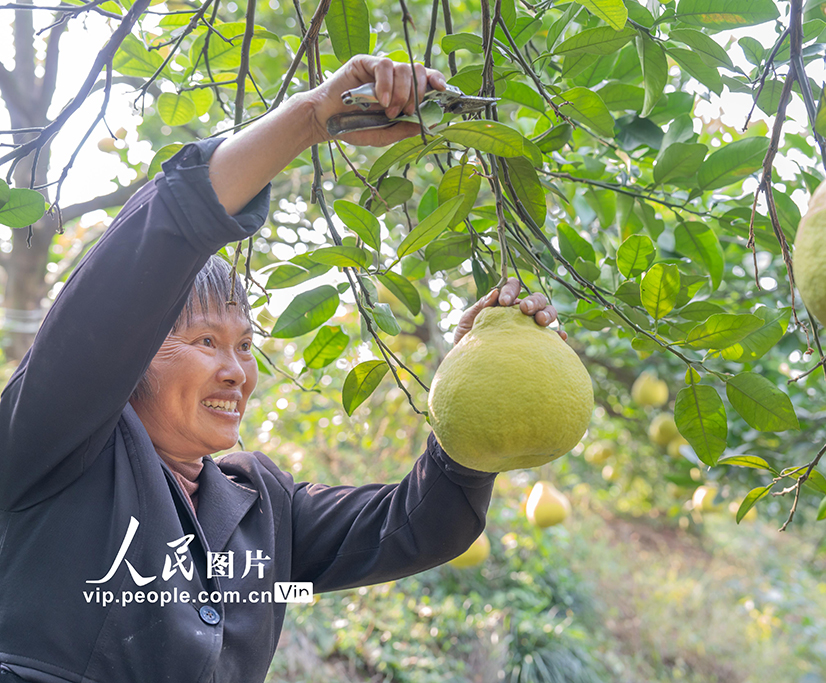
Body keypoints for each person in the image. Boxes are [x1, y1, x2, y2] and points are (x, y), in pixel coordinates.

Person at [0, 55, 565, 683]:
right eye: (205, 341)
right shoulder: (56, 447)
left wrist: (477, 378)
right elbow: (155, 244)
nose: (236, 370)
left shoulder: (263, 507)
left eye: (245, 346)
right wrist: (311, 117)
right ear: (131, 350)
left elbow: (421, 524)